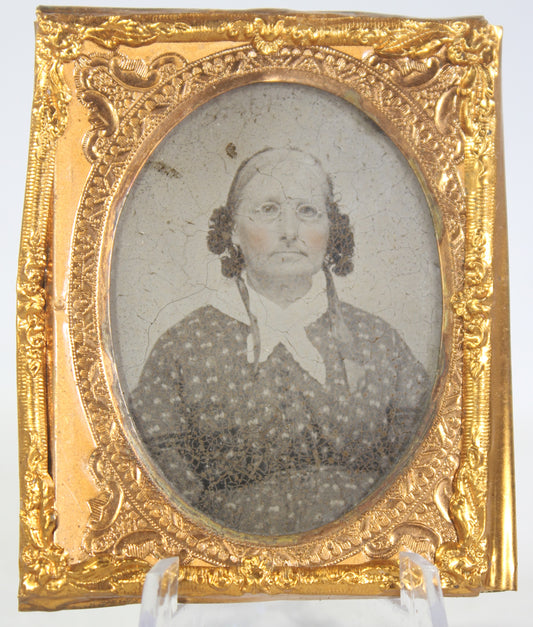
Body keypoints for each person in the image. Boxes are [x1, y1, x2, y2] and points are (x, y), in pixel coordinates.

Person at [130, 148, 430, 536]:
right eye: (268, 209)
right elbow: (158, 483)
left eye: (307, 211)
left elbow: (419, 470)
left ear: (331, 228)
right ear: (232, 229)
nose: (290, 231)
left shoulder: (379, 343)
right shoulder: (185, 348)